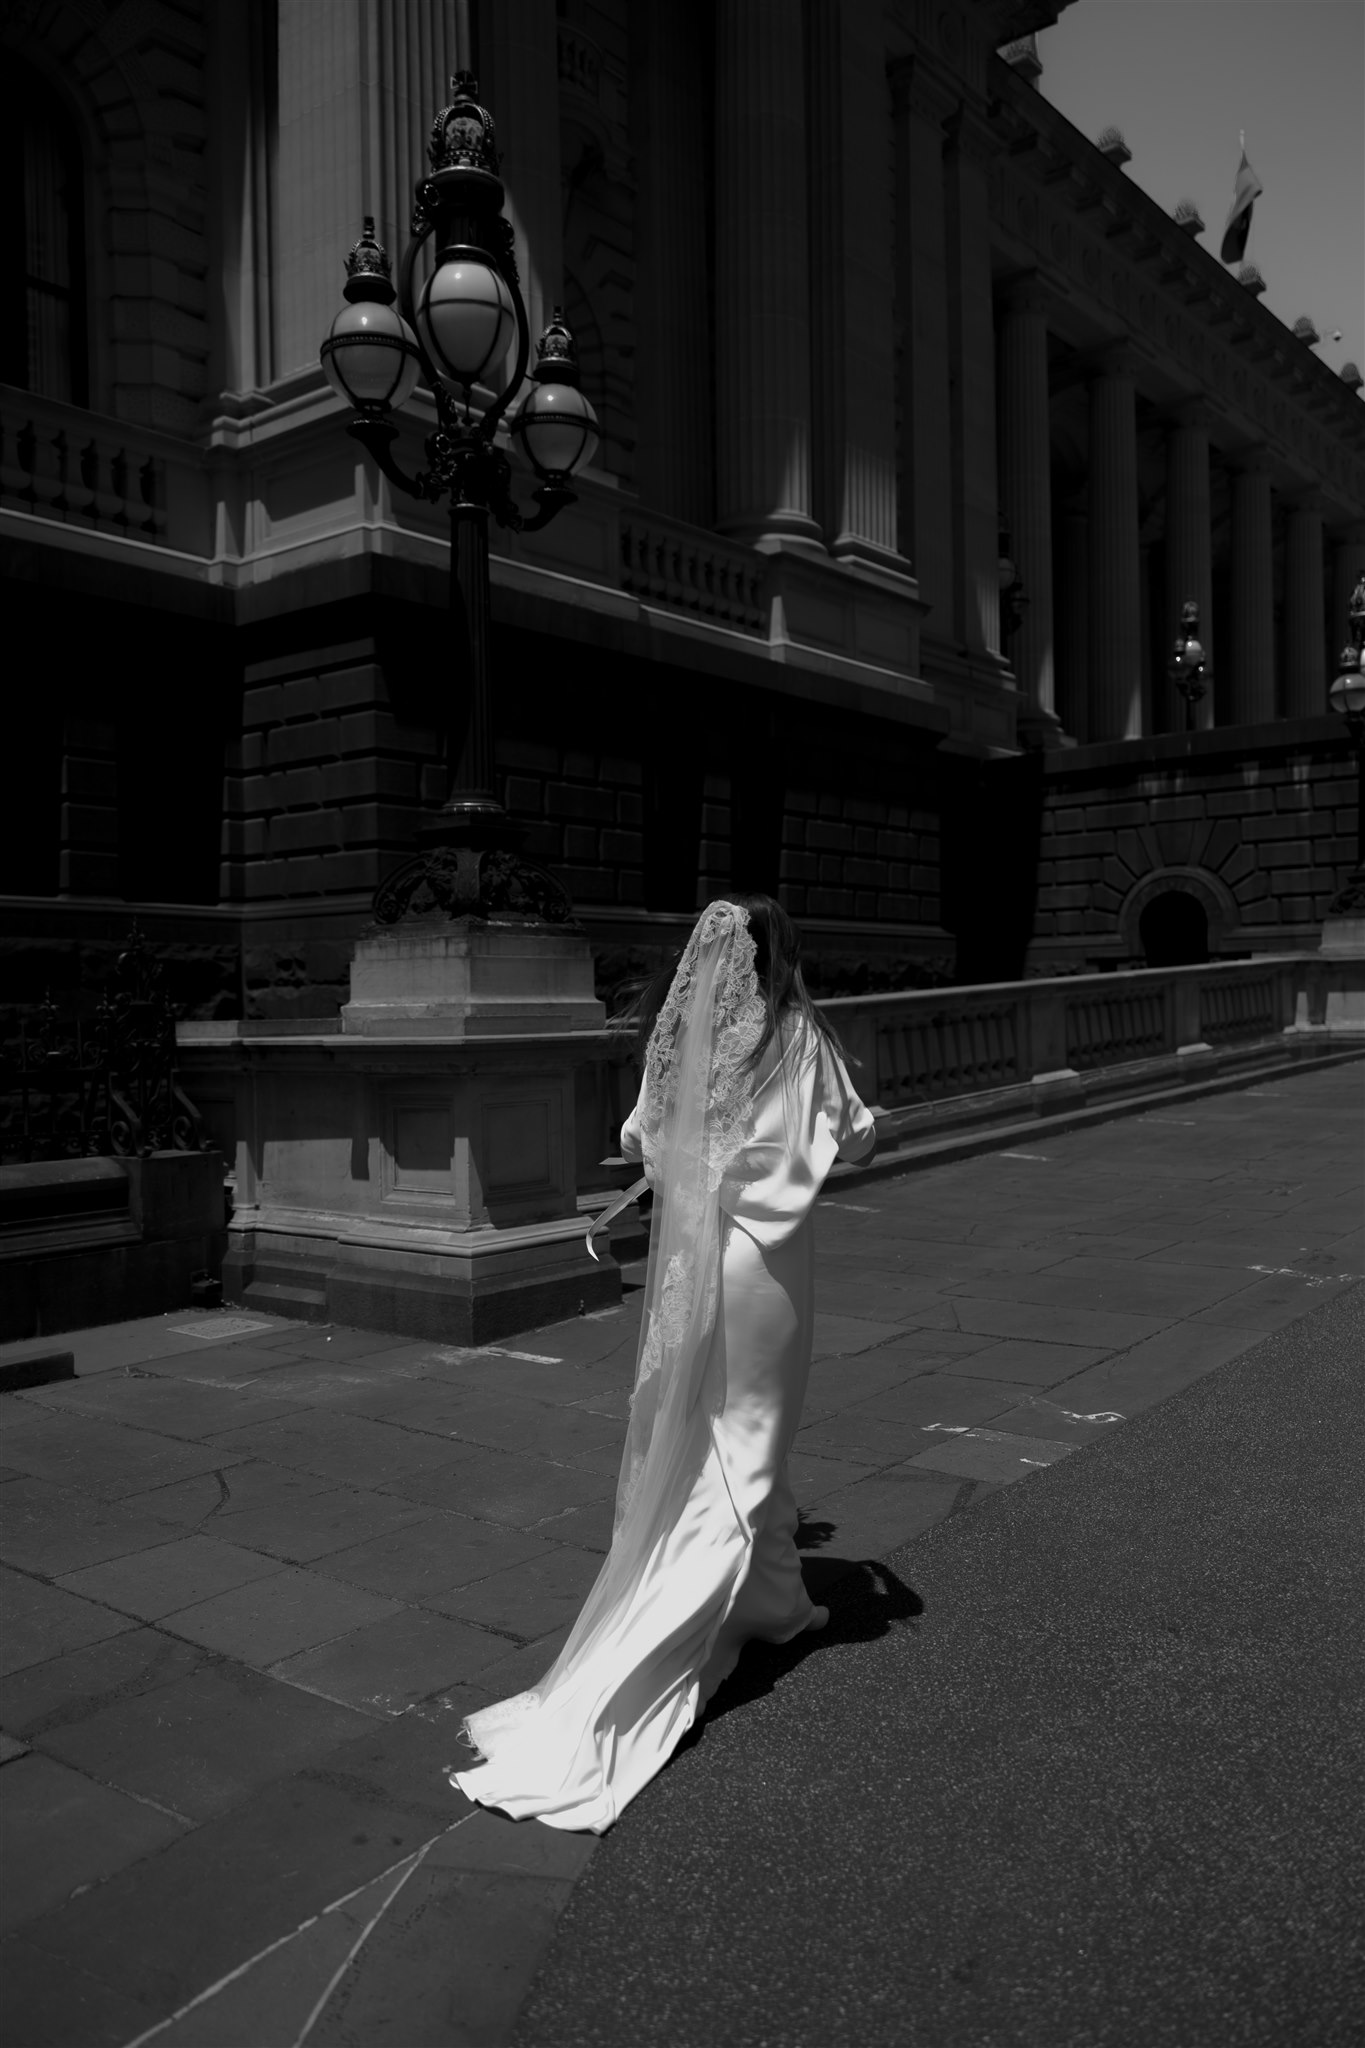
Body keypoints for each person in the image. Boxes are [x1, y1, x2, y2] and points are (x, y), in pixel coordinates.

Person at [448, 893, 877, 1833]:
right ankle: (636, 1674)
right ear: (780, 953)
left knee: (718, 1440)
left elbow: (638, 1140)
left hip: (694, 1260)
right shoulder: (797, 1037)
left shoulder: (679, 1039)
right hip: (766, 1272)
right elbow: (853, 1135)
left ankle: (776, 1604)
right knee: (748, 1444)